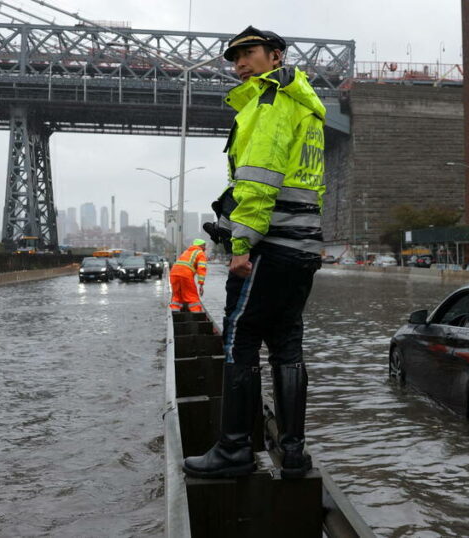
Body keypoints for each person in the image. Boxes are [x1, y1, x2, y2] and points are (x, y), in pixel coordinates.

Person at [183, 26, 326, 480]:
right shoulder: (305, 105)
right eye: (234, 57)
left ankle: (234, 449)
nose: (240, 63)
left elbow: (258, 181)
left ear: (276, 56)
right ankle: (294, 454)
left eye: (249, 53)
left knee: (239, 342)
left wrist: (240, 245)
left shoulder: (270, 103)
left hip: (268, 248)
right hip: (302, 248)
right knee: (286, 345)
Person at [168, 239, 208, 312]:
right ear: (200, 246)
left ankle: (175, 314)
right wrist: (201, 284)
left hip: (173, 274)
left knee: (177, 297)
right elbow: (202, 268)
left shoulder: (186, 252)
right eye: (204, 245)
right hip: (185, 275)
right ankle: (196, 315)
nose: (205, 248)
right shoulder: (200, 253)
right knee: (192, 297)